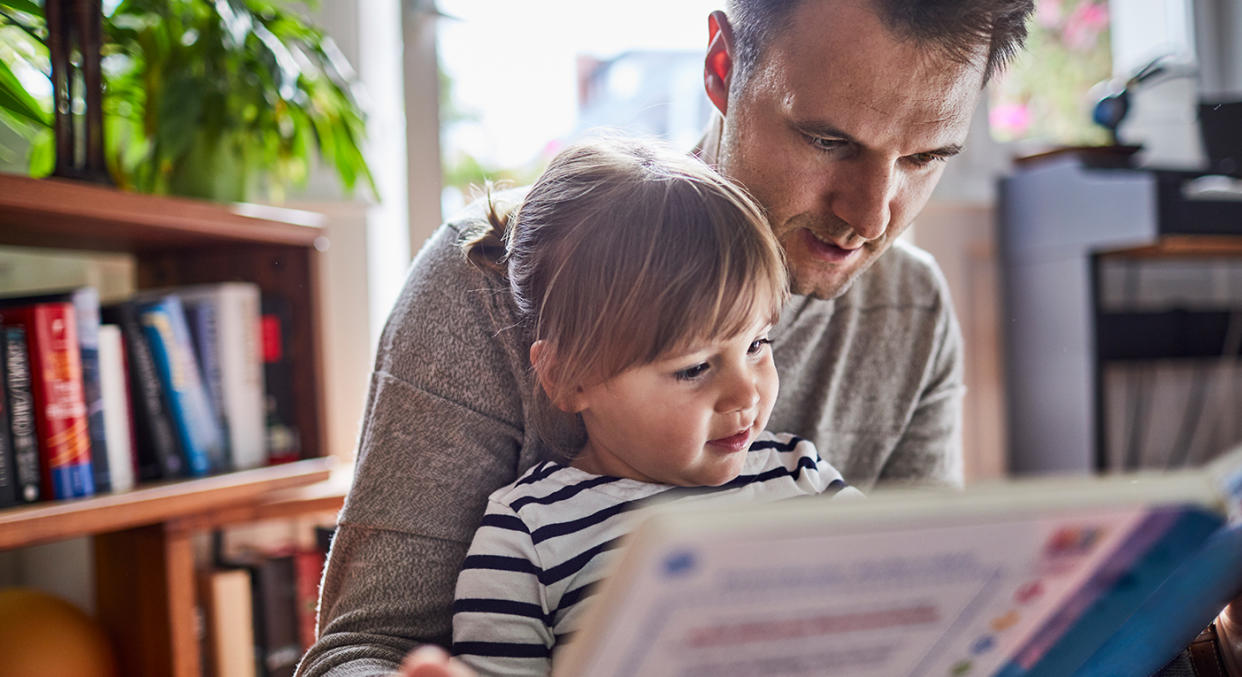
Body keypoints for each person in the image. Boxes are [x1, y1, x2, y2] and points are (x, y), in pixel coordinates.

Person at [294, 1, 1036, 675]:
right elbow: (359, 651)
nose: (873, 215)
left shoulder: (909, 305)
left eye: (924, 158)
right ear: (722, 67)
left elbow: (934, 615)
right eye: (828, 139)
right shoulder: (490, 278)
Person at [449, 137, 863, 675]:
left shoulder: (802, 476)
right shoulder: (527, 536)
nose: (746, 394)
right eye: (694, 368)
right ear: (568, 377)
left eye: (758, 345)